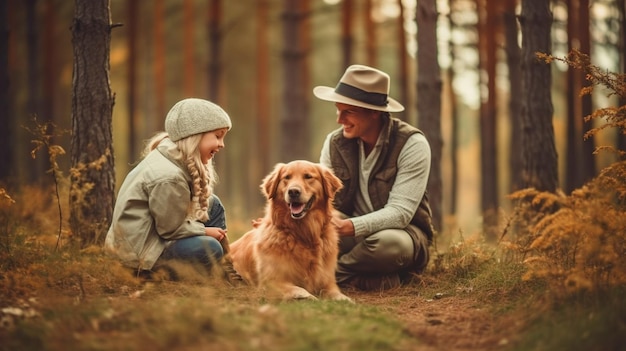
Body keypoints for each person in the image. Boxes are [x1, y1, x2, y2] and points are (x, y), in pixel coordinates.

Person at [313, 64, 435, 291]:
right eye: (338, 109)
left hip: (402, 235)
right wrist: (286, 222)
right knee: (311, 227)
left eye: (348, 111)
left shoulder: (412, 144)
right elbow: (321, 199)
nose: (340, 119)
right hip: (349, 232)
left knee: (388, 245)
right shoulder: (334, 143)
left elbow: (400, 213)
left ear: (374, 112)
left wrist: (351, 226)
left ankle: (326, 277)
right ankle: (372, 280)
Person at [105, 98, 232, 278]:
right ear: (195, 136)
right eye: (217, 136)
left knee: (214, 205)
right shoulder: (169, 177)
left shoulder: (172, 157)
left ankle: (224, 268)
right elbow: (169, 229)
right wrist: (205, 231)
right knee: (210, 248)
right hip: (139, 260)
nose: (221, 144)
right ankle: (205, 274)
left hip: (154, 240)